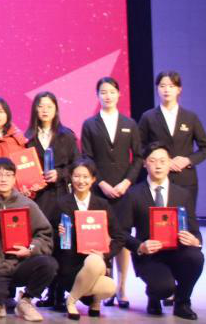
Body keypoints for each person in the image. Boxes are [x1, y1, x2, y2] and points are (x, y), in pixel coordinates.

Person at [0, 157, 57, 322]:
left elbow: (45, 235)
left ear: (14, 178)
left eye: (8, 175)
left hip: (21, 265)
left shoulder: (28, 204)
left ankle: (25, 300)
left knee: (49, 264)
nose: (3, 179)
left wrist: (30, 249)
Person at [78, 76, 142, 309]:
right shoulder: (90, 124)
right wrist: (102, 183)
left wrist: (126, 182)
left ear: (119, 94)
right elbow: (87, 157)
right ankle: (106, 286)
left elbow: (139, 157)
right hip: (99, 190)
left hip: (124, 191)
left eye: (112, 92)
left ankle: (122, 287)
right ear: (98, 95)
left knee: (122, 238)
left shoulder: (129, 123)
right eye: (103, 92)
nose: (108, 96)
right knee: (101, 238)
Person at [125, 143, 204, 320]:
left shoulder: (183, 194)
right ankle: (154, 295)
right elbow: (122, 232)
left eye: (163, 161)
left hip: (177, 251)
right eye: (153, 161)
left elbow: (195, 229)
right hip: (149, 255)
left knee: (196, 257)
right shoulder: (133, 194)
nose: (158, 166)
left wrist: (195, 241)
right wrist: (140, 246)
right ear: (145, 164)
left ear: (170, 163)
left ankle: (182, 302)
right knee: (163, 288)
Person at [51, 159, 124, 319]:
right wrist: (60, 234)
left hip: (95, 264)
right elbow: (50, 235)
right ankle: (78, 301)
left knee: (109, 285)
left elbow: (119, 237)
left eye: (86, 177)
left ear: (93, 179)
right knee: (94, 263)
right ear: (71, 177)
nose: (81, 181)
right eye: (77, 176)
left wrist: (105, 254)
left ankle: (79, 300)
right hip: (70, 265)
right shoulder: (61, 204)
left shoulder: (102, 205)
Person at [137, 72, 206, 198]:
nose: (166, 90)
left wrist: (188, 160)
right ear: (157, 89)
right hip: (157, 179)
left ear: (179, 89)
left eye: (171, 86)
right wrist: (163, 161)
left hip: (185, 179)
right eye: (162, 86)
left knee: (185, 211)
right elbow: (139, 146)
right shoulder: (148, 117)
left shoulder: (190, 117)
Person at [23, 92, 79, 231]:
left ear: (56, 109)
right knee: (40, 233)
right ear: (35, 109)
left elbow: (77, 165)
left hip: (61, 194)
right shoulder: (26, 138)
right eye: (41, 106)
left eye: (49, 106)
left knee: (62, 235)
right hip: (37, 198)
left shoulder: (67, 136)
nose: (45, 110)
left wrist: (60, 174)